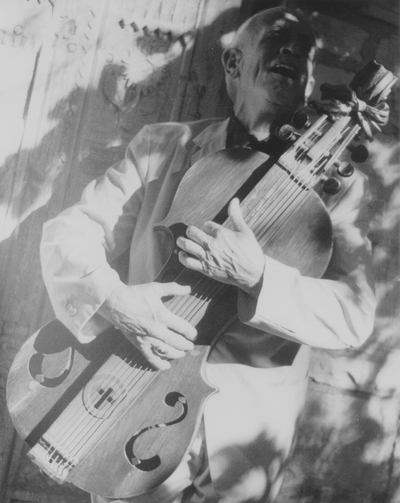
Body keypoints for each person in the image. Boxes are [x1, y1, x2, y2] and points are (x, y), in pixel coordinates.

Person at [40, 6, 376, 503]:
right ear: (233, 65)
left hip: (246, 435)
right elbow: (71, 231)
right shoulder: (162, 145)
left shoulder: (337, 189)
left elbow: (355, 315)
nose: (293, 53)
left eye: (305, 53)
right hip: (134, 392)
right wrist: (114, 300)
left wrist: (259, 276)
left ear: (308, 87)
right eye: (278, 40)